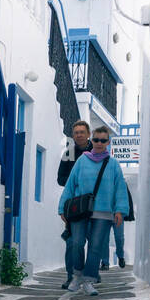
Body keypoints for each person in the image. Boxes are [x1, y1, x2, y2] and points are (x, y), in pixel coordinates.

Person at [58, 124, 125, 296]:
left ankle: (88, 280)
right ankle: (76, 275)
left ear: (108, 142)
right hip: (82, 211)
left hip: (103, 213)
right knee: (77, 243)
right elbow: (70, 184)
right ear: (92, 140)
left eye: (103, 140)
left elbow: (120, 189)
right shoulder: (79, 159)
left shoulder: (113, 164)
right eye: (96, 140)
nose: (99, 143)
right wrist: (62, 208)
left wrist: (119, 210)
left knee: (95, 247)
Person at [57, 120, 92, 289]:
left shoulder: (97, 150)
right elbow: (60, 178)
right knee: (72, 242)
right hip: (75, 204)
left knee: (94, 240)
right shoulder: (68, 153)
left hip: (94, 203)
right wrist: (76, 183)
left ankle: (91, 275)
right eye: (76, 132)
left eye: (82, 132)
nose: (79, 135)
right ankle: (71, 276)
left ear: (88, 134)